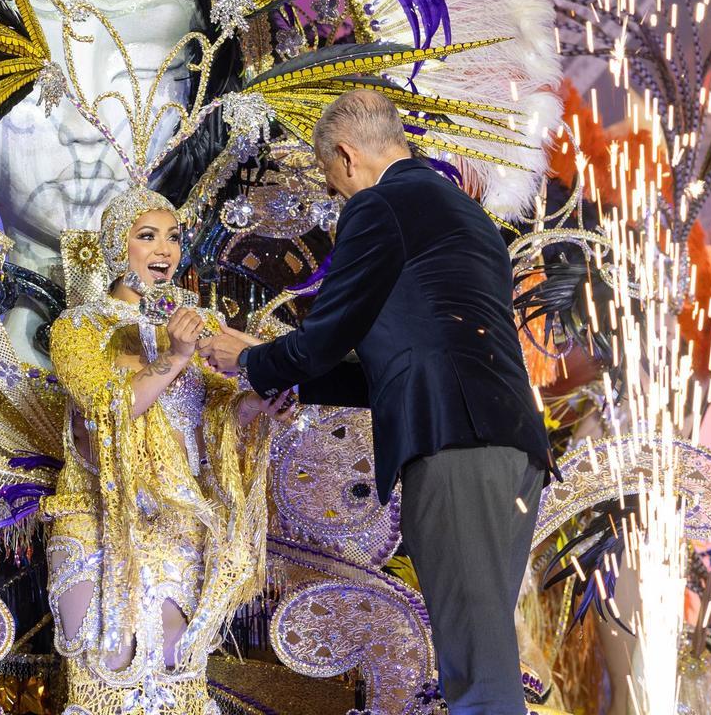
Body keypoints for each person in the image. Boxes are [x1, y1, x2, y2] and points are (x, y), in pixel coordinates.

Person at [199, 89, 558, 715]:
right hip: (511, 449)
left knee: (478, 677)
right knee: (482, 653)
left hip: (454, 445)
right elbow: (401, 363)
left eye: (331, 181)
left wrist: (249, 361)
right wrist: (291, 381)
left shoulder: (379, 205)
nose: (335, 195)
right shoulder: (466, 214)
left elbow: (326, 337)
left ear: (346, 156)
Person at [41, 185, 293, 715]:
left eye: (173, 238)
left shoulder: (199, 327)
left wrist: (258, 405)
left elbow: (217, 420)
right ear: (118, 246)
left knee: (176, 676)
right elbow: (107, 408)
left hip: (180, 524)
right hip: (100, 520)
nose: (164, 250)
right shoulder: (78, 327)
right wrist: (176, 356)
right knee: (109, 670)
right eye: (147, 236)